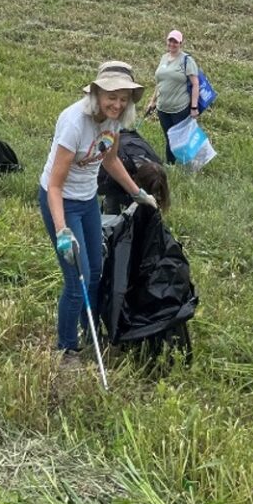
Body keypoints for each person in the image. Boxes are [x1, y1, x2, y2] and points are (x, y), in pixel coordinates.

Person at [39, 61, 159, 363]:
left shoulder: (113, 121)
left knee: (95, 273)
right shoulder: (74, 123)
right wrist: (62, 229)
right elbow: (55, 185)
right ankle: (67, 350)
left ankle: (88, 330)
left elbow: (110, 160)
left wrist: (137, 192)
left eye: (123, 98)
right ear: (97, 93)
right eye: (111, 97)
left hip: (88, 200)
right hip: (61, 201)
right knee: (77, 279)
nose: (117, 104)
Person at [144, 29, 200, 164]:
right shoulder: (164, 58)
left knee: (181, 139)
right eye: (170, 40)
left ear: (180, 43)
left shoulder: (187, 60)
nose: (172, 44)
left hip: (179, 108)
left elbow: (195, 84)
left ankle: (189, 165)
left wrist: (194, 107)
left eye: (175, 42)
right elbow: (160, 83)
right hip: (163, 107)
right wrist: (153, 101)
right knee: (169, 137)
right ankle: (171, 165)